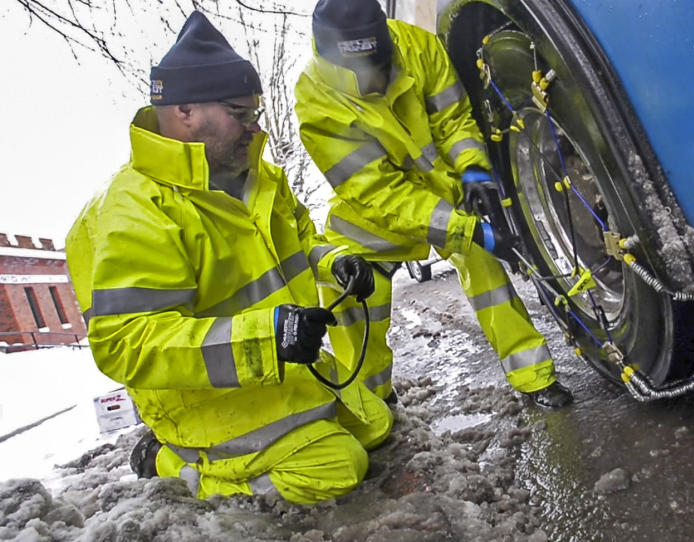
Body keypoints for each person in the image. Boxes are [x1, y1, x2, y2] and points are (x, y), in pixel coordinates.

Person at [65, 11, 392, 504]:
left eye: (253, 114)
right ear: (185, 110)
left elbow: (303, 243)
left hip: (282, 374)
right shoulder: (132, 211)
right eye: (240, 114)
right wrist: (269, 337)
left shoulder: (257, 178)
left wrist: (336, 262)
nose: (252, 127)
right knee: (339, 471)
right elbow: (127, 344)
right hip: (209, 406)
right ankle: (173, 461)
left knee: (379, 426)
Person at [293, 0, 573, 408]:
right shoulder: (315, 101)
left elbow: (453, 120)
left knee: (487, 270)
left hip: (446, 189)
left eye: (380, 59)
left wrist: (473, 171)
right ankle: (371, 405)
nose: (377, 75)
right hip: (376, 216)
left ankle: (534, 377)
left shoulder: (417, 46)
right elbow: (378, 193)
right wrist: (464, 227)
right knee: (351, 290)